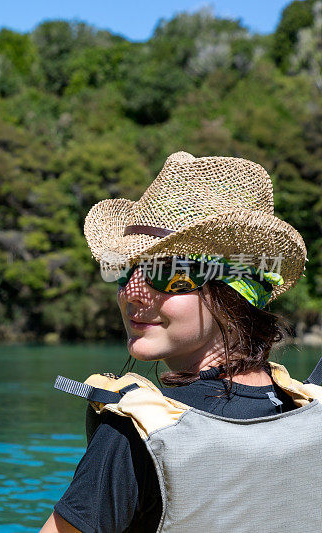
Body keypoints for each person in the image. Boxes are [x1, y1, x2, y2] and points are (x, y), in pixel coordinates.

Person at [40, 152, 322, 533]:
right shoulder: (312, 415)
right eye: (125, 270)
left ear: (236, 291)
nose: (131, 293)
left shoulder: (136, 435)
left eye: (166, 273)